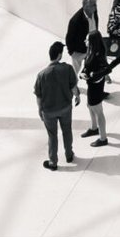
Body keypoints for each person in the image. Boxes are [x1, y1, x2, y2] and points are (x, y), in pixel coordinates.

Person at [35, 39, 78, 170]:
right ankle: (69, 155)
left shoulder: (41, 75)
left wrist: (39, 110)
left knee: (52, 135)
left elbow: (39, 96)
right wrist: (77, 96)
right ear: (59, 55)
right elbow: (74, 87)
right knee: (67, 131)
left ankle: (53, 162)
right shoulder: (68, 69)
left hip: (48, 111)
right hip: (65, 107)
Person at [83, 22, 112, 147]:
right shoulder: (93, 52)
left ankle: (103, 138)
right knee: (89, 105)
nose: (85, 41)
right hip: (93, 86)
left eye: (87, 40)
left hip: (95, 87)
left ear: (92, 42)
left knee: (98, 110)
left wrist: (87, 76)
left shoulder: (96, 57)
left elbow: (97, 74)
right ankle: (94, 128)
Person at [65, 0, 96, 94]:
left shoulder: (94, 13)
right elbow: (69, 38)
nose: (96, 7)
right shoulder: (75, 20)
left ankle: (94, 89)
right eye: (93, 5)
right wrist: (71, 52)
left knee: (93, 67)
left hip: (91, 47)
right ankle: (71, 87)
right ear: (86, 7)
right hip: (79, 50)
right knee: (75, 71)